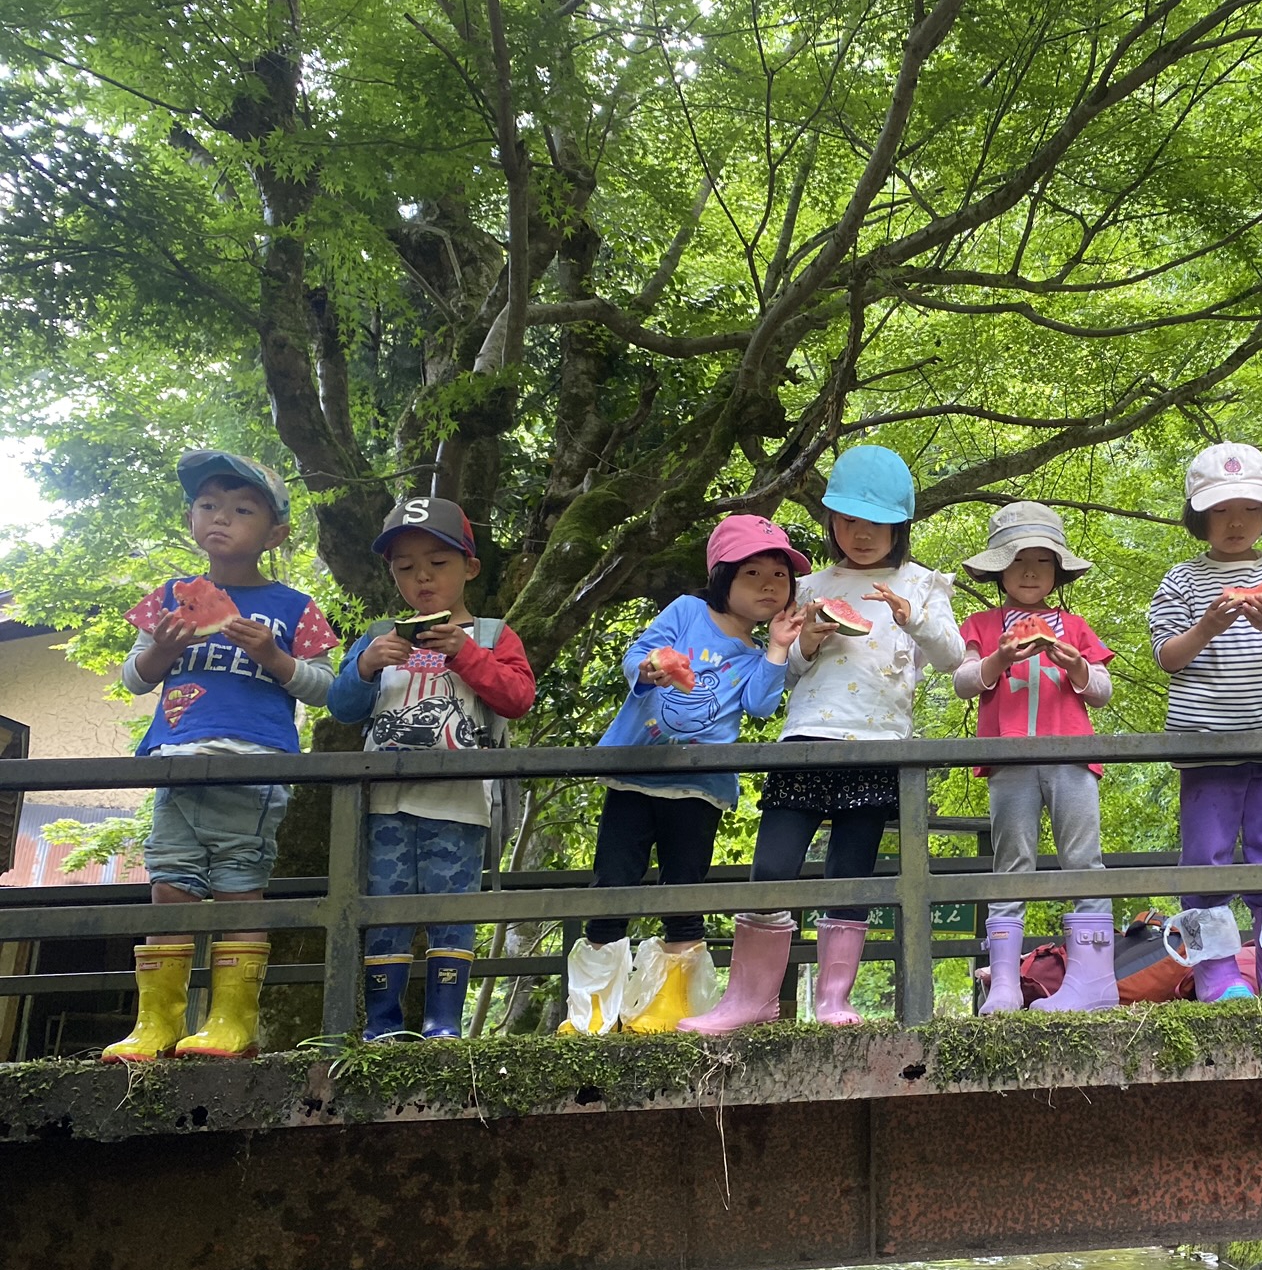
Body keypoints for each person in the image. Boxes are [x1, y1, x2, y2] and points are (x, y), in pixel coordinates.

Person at [681, 448, 964, 1034]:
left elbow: (952, 659)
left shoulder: (926, 585)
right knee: (772, 869)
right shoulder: (806, 585)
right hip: (805, 741)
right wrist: (805, 641)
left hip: (879, 745)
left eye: (876, 522)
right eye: (848, 520)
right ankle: (749, 999)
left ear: (899, 525)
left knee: (851, 874)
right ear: (832, 522)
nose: (861, 534)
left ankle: (834, 1000)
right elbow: (781, 674)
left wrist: (914, 618)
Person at [102, 450, 338, 1062]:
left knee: (240, 887)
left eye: (241, 509)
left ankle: (233, 1022)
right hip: (175, 760)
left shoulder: (296, 607)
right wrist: (160, 649)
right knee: (168, 886)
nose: (221, 518)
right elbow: (132, 677)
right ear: (190, 518)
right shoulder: (169, 598)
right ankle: (156, 1024)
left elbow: (327, 688)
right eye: (209, 505)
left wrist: (275, 659)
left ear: (275, 533)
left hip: (255, 765)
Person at [556, 514, 808, 1035]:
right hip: (634, 772)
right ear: (722, 578)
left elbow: (761, 707)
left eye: (779, 576)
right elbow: (636, 656)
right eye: (752, 573)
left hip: (699, 788)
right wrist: (648, 668)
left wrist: (780, 649)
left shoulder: (758, 652)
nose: (768, 585)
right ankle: (592, 1011)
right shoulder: (687, 611)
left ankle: (671, 1005)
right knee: (612, 884)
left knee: (685, 889)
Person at [327, 498, 537, 1040]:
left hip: (461, 801)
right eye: (405, 567)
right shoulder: (378, 634)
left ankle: (443, 1022)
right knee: (386, 908)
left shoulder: (492, 635)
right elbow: (342, 706)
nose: (422, 577)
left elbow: (518, 697)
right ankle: (382, 1024)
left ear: (470, 567)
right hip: (383, 803)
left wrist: (466, 654)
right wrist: (366, 665)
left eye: (438, 563)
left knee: (452, 907)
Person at [1149, 440, 1262, 1003]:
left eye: (1248, 509)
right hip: (1205, 741)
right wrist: (1206, 626)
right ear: (1199, 515)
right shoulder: (1180, 579)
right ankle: (1216, 972)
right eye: (1221, 510)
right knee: (1206, 857)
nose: (1235, 522)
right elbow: (1168, 657)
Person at [954, 503, 1116, 1012]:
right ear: (999, 568)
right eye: (1017, 560)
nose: (1029, 571)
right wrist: (999, 657)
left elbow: (1103, 693)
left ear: (1057, 571)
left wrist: (1079, 668)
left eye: (1043, 561)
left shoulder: (1077, 625)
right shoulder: (980, 624)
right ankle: (1002, 981)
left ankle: (1094, 981)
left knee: (1083, 860)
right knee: (1011, 863)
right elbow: (963, 683)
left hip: (1072, 758)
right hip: (1009, 762)